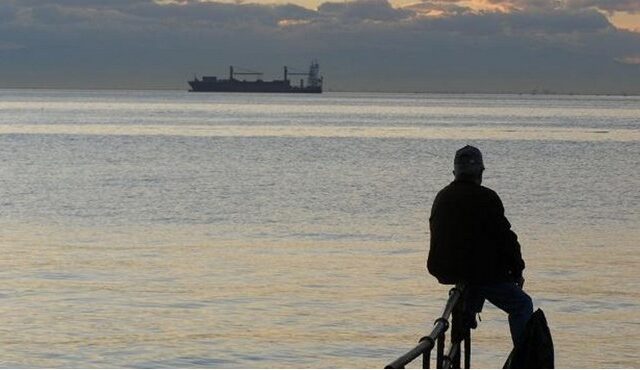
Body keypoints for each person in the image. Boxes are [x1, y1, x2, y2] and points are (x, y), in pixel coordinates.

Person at [427, 145, 533, 346]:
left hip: (444, 268)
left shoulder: (442, 196)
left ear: (454, 173)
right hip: (476, 270)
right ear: (481, 173)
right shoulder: (487, 198)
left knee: (474, 272)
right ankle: (524, 358)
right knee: (522, 304)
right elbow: (507, 240)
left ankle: (469, 310)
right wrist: (517, 270)